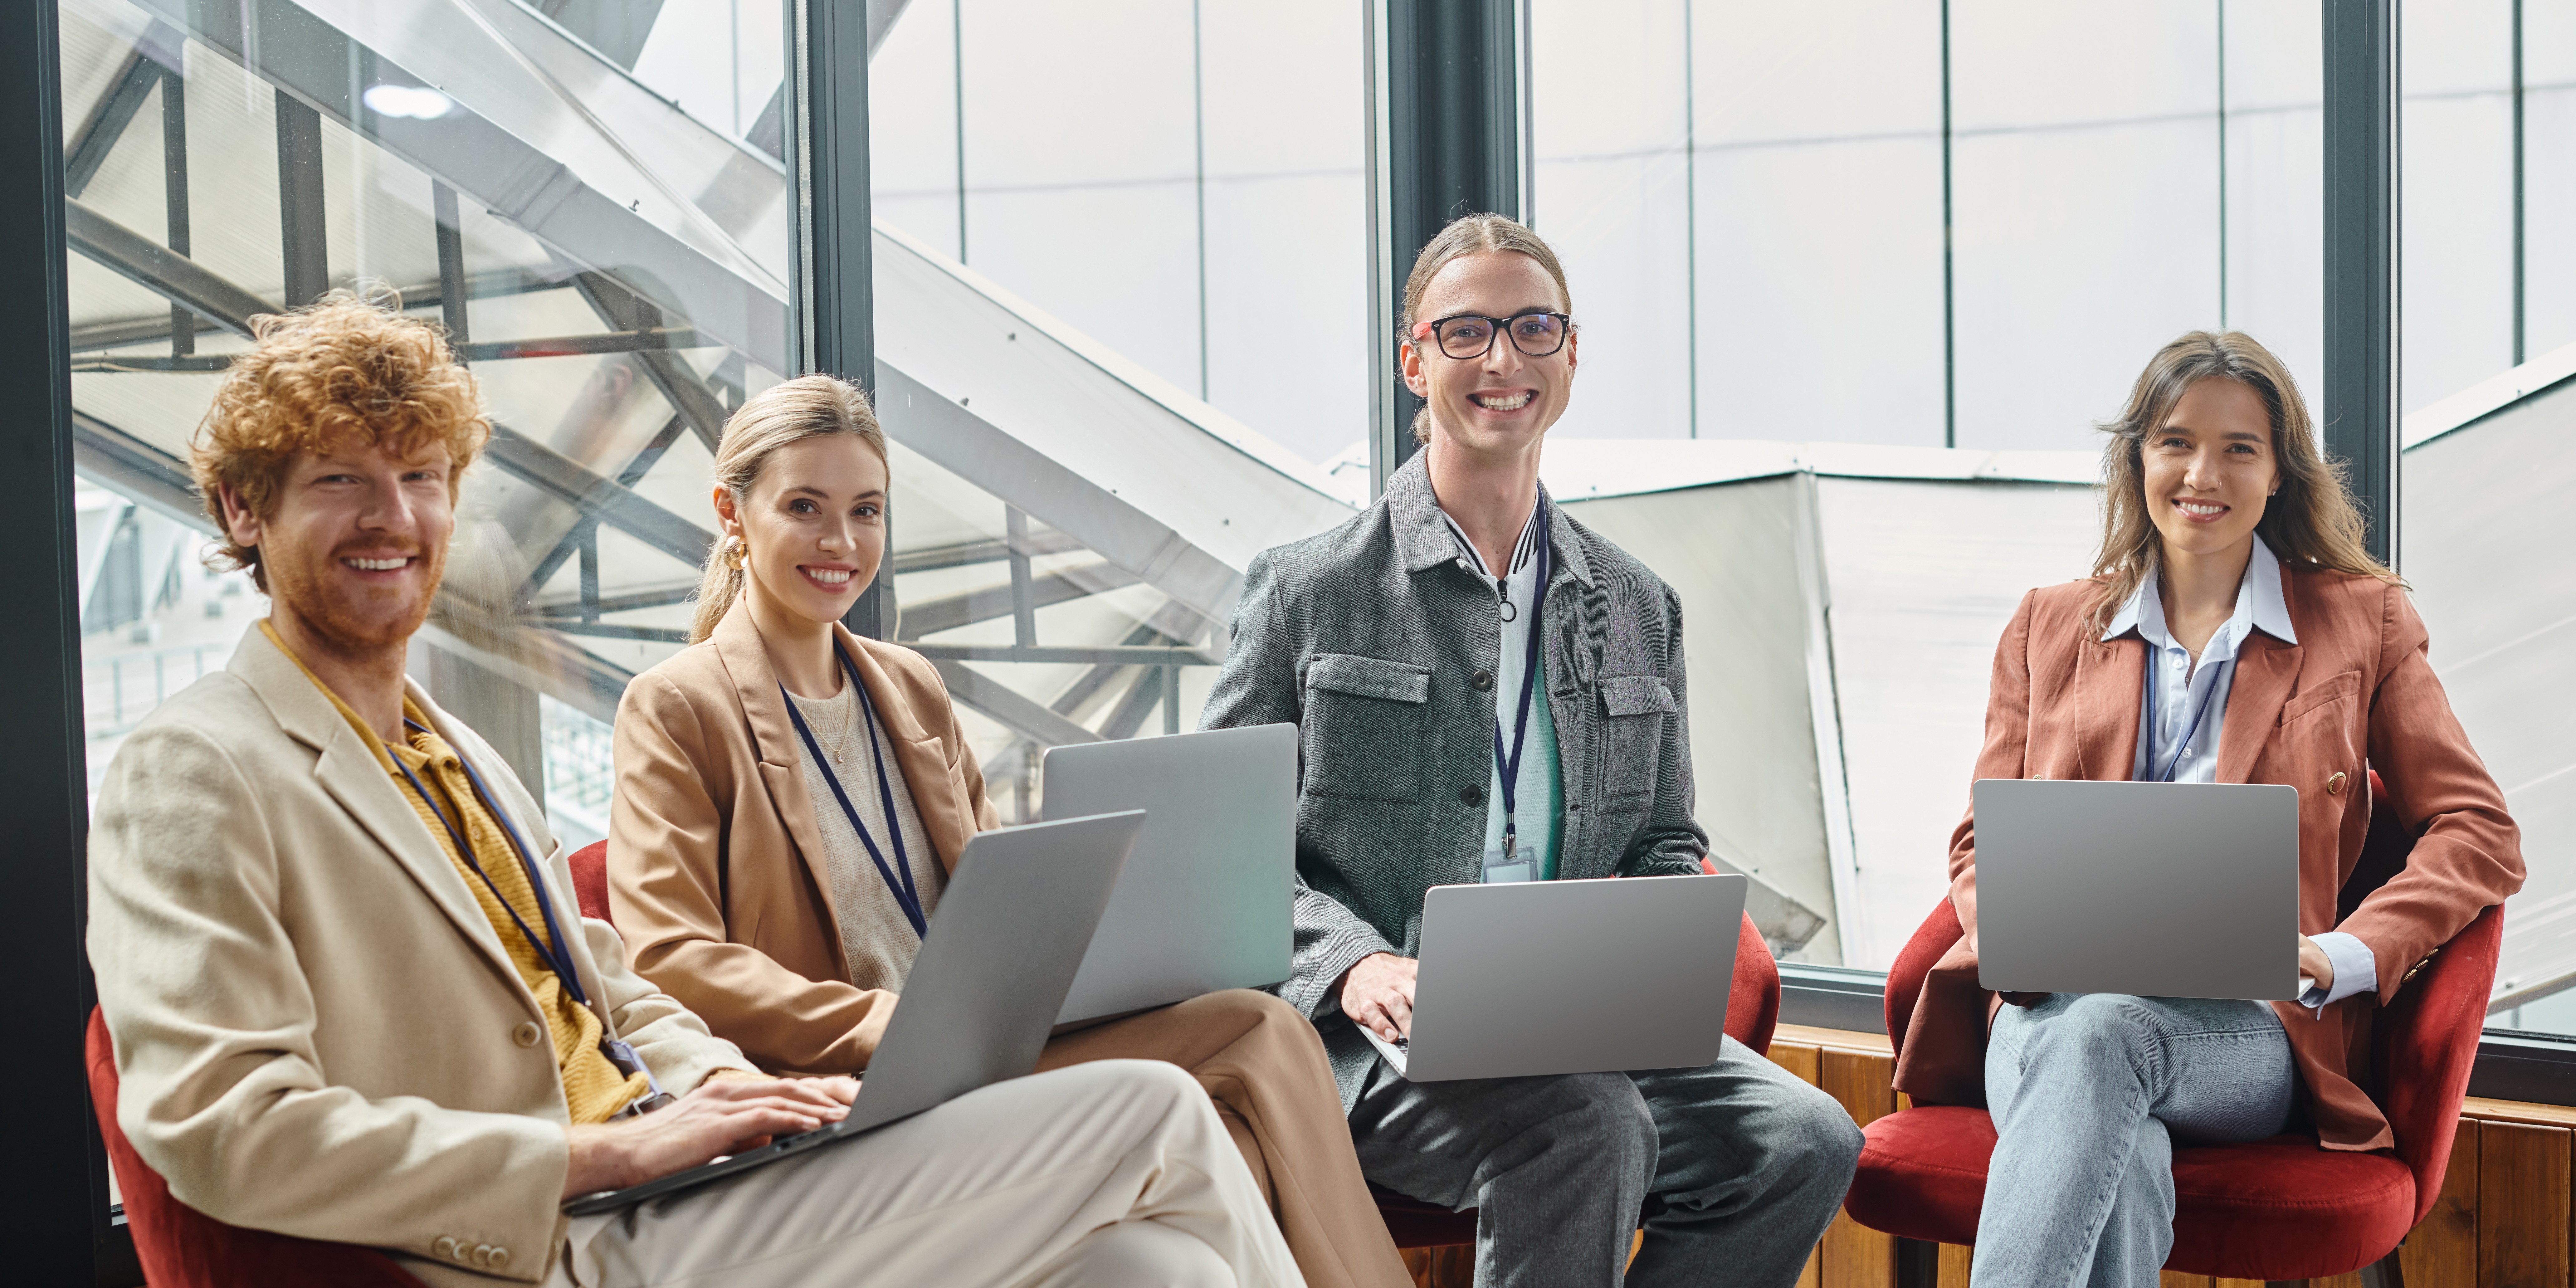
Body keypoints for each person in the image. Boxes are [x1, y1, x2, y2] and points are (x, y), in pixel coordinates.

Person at [86, 293, 1303, 1288]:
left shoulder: (456, 747)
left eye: (421, 476)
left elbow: (599, 977)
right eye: (340, 483)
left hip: (681, 1183)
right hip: (563, 1237)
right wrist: (597, 1153)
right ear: (243, 508)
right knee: (1153, 1111)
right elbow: (221, 1126)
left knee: (1155, 1268)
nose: (394, 518)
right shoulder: (195, 766)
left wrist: (729, 1087)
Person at [606, 374, 1412, 1288]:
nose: (842, 542)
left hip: (988, 1044)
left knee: (1251, 1048)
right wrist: (890, 1021)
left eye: (867, 511)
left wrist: (1112, 953)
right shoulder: (678, 706)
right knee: (1251, 1053)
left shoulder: (908, 687)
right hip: (860, 1077)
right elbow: (670, 959)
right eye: (806, 507)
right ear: (731, 512)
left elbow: (998, 896)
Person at [1197, 213, 1864, 1288]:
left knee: (1806, 1141)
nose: (1502, 360)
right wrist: (1354, 963)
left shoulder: (1643, 606)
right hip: (1368, 1038)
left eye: (1533, 328)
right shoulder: (1306, 590)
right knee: (1583, 1129)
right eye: (1465, 333)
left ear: (1569, 354)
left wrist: (1650, 934)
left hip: (1577, 1017)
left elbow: (1664, 836)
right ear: (1415, 361)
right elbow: (1218, 853)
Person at [1891, 331, 2525, 1285]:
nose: (2203, 473)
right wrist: (2020, 926)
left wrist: (2346, 953)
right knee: (2122, 1137)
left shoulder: (2364, 620)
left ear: (2279, 474)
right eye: (2177, 442)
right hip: (2045, 1008)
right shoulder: (2046, 625)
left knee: (2109, 1038)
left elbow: (2480, 831)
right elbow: (1985, 837)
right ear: (2139, 458)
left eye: (2240, 448)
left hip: (2252, 1029)